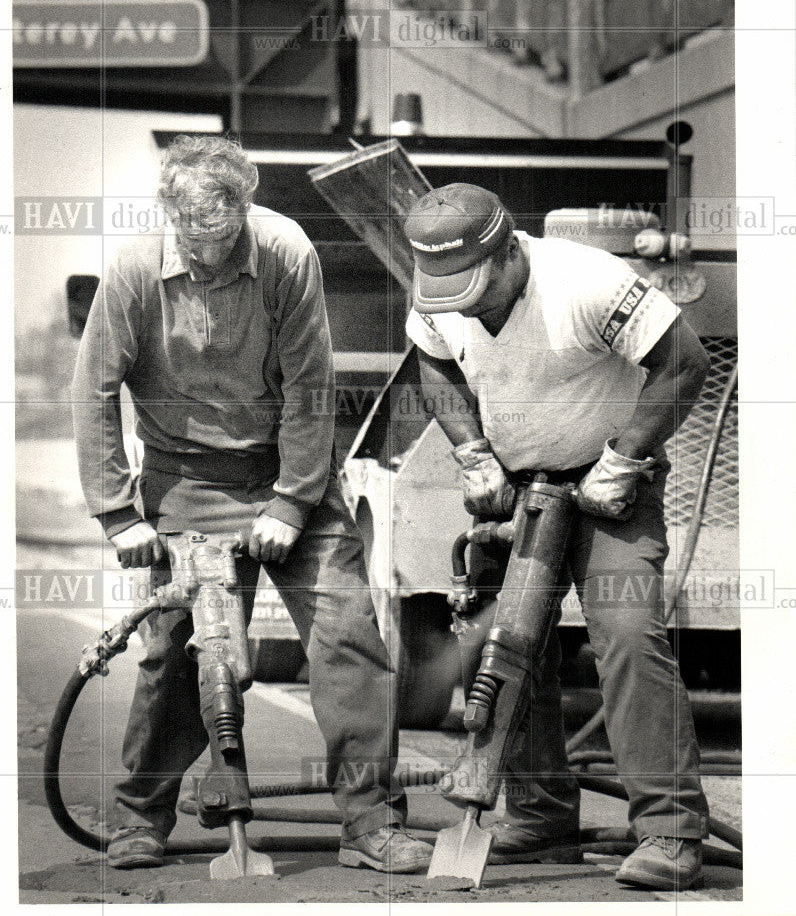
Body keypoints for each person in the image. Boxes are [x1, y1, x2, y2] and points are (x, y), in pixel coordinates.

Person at [72, 134, 432, 874]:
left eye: (222, 237)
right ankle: (141, 814)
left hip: (286, 468)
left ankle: (370, 821)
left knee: (348, 636)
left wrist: (293, 504)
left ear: (246, 208)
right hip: (185, 478)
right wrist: (120, 514)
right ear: (170, 216)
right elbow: (94, 391)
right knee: (177, 654)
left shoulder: (287, 253)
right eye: (193, 241)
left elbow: (310, 385)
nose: (208, 255)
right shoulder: (136, 271)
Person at [403, 182, 711, 891]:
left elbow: (683, 362)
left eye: (476, 291)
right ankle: (541, 817)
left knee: (630, 635)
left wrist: (627, 454)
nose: (464, 308)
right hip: (517, 488)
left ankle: (669, 830)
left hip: (608, 488)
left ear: (510, 250)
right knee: (507, 651)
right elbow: (432, 357)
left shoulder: (587, 283)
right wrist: (470, 451)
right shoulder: (441, 291)